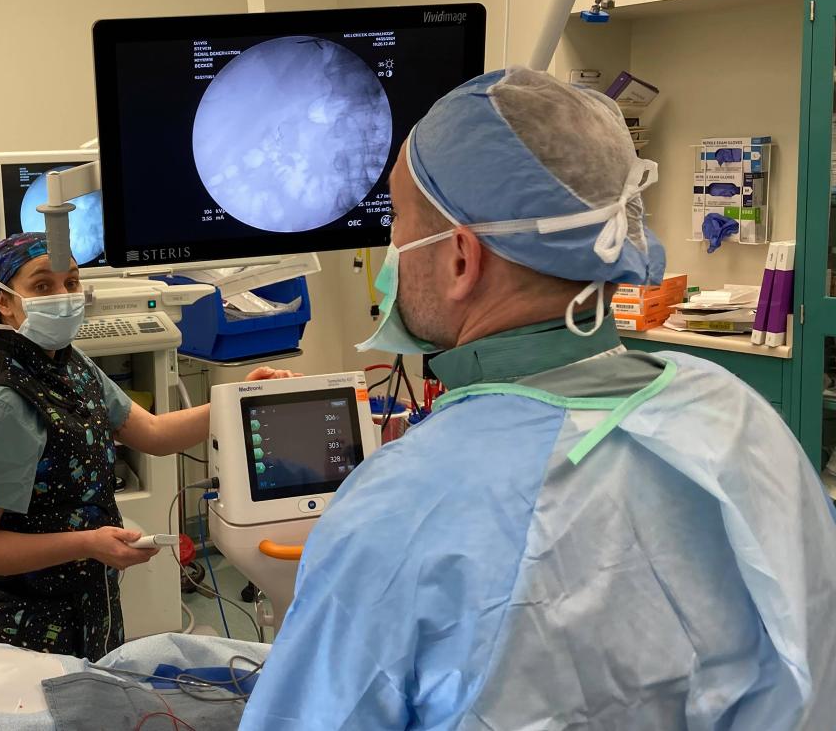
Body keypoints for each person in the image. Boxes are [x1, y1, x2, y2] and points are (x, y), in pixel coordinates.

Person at [240, 68, 836, 730]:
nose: (393, 251)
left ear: (462, 259)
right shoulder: (735, 411)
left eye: (400, 223)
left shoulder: (402, 508)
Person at [0, 232, 296, 661]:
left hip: (88, 605)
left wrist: (234, 401)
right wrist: (87, 543)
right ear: (4, 301)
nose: (62, 296)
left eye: (71, 282)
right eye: (42, 286)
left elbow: (152, 434)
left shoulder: (68, 361)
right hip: (25, 628)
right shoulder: (6, 398)